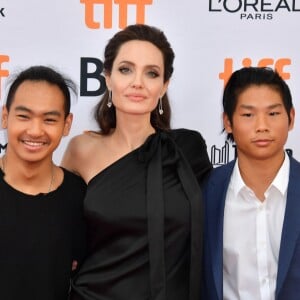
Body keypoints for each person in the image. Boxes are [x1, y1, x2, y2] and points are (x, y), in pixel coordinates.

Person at [61, 24, 212, 300]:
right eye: (125, 69)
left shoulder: (187, 150)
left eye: (151, 73)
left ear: (164, 85)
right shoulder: (81, 150)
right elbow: (59, 230)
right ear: (107, 77)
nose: (137, 82)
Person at [202, 66, 300, 300]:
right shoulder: (205, 192)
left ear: (291, 118)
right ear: (228, 122)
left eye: (273, 114)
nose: (262, 126)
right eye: (248, 115)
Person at [0, 65, 86, 300]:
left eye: (49, 119)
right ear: (5, 116)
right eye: (24, 116)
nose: (35, 130)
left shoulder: (80, 198)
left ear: (66, 124)